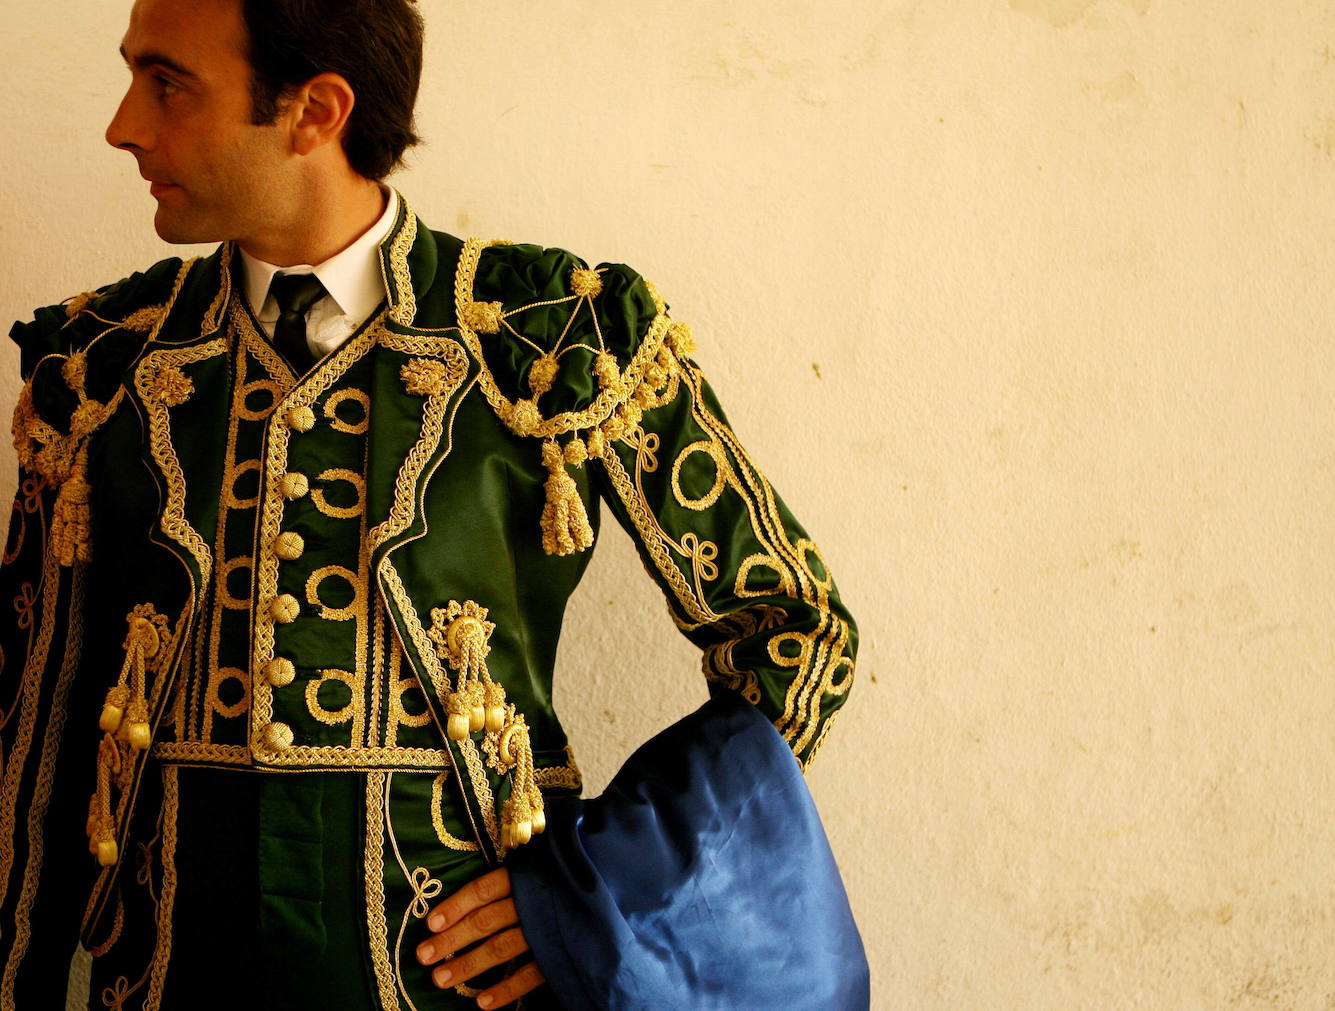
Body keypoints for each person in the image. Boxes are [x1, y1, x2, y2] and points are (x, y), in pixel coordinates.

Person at [0, 0, 865, 1008]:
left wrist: (601, 889)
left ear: (315, 110)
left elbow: (798, 635)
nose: (122, 125)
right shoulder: (103, 363)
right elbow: (34, 736)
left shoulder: (557, 341)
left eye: (168, 82)